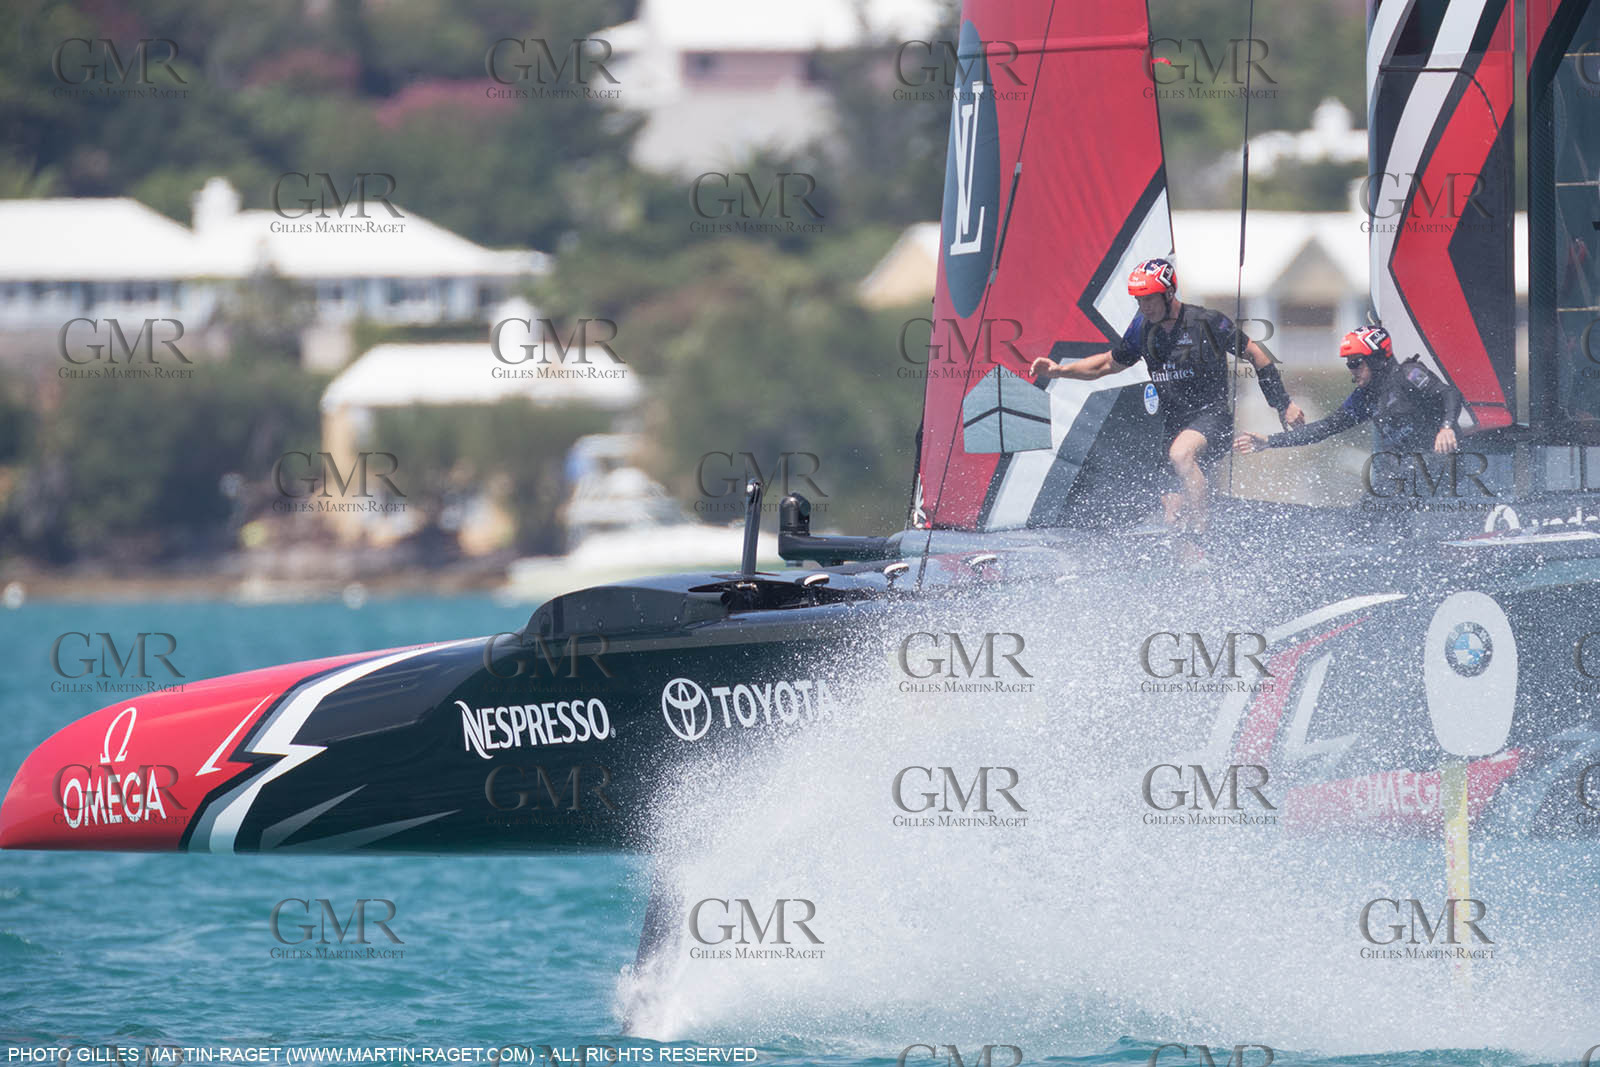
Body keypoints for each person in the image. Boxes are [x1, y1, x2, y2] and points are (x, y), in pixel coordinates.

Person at [1028, 257, 1304, 535]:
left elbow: (1256, 354)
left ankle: (1203, 533)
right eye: (1139, 300)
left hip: (1213, 420)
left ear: (1169, 293)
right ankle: (1193, 566)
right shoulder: (1141, 330)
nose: (1144, 307)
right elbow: (1106, 364)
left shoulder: (1207, 322)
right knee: (1172, 515)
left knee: (1181, 455)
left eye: (1150, 299)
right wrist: (1059, 370)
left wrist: (1283, 404)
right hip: (1173, 427)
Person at [1233, 325, 1461, 457]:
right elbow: (1326, 427)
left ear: (1377, 360)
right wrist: (1270, 441)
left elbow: (1449, 393)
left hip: (1442, 463)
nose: (1351, 369)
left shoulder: (1408, 374)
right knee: (1362, 520)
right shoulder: (1365, 398)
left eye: (1356, 362)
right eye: (1348, 363)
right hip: (1403, 473)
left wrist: (1446, 428)